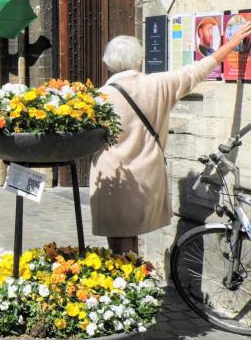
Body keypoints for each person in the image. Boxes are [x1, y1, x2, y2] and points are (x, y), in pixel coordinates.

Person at [90, 22, 251, 254]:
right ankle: (132, 281)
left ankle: (125, 284)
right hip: (146, 174)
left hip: (112, 176)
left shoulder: (100, 97)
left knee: (117, 242)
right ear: (138, 58)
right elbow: (198, 69)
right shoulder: (158, 84)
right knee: (130, 239)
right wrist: (232, 43)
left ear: (109, 61)